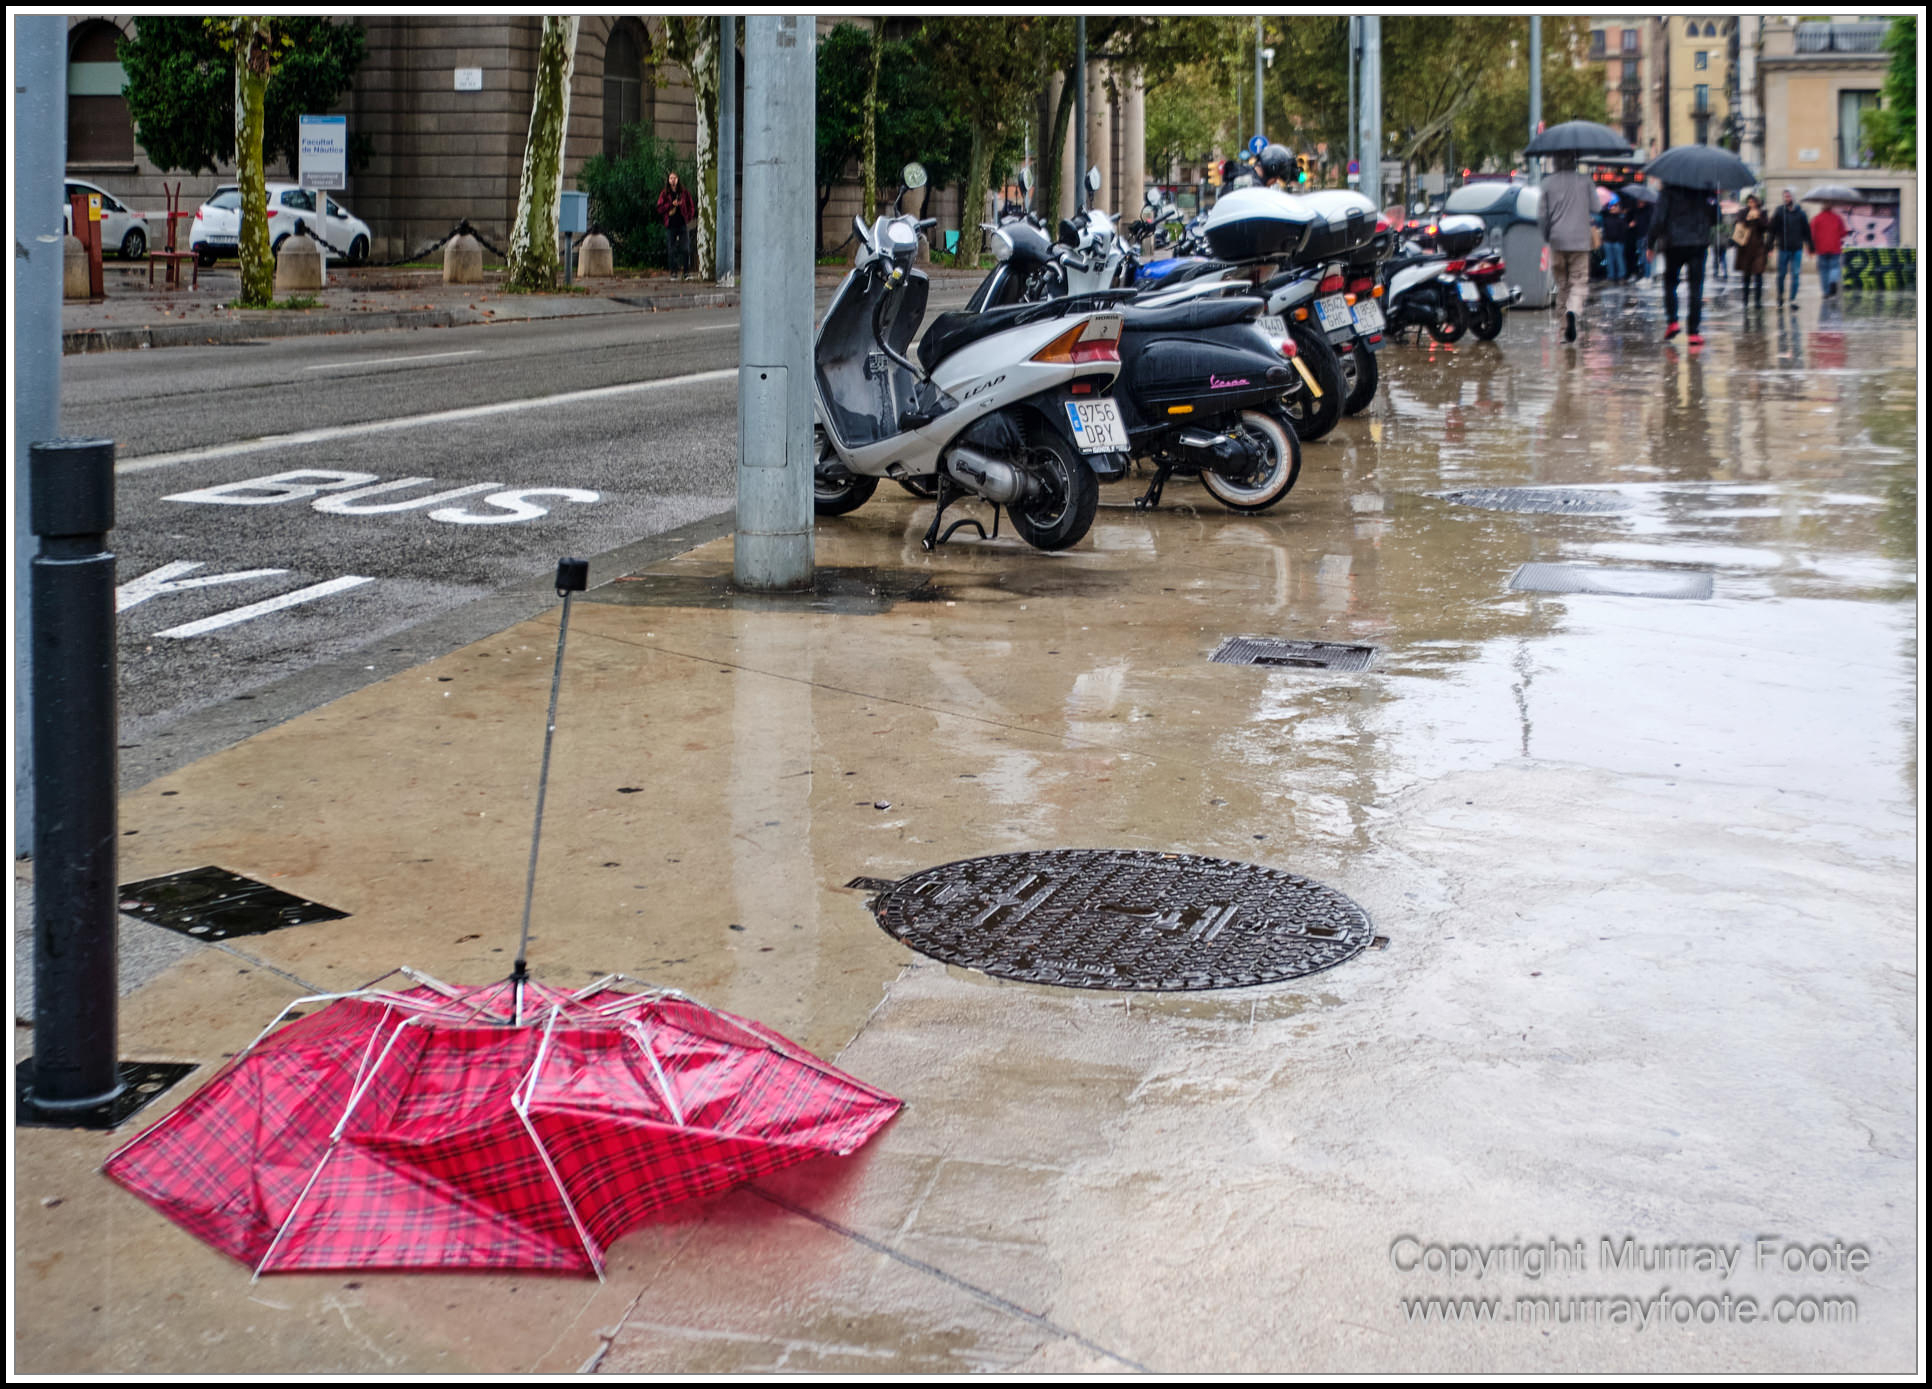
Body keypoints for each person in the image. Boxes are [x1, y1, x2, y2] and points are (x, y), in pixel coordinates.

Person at [1648, 180, 1717, 344]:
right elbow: (1716, 218)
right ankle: (1694, 332)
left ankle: (1672, 321)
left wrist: (1651, 244)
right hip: (1698, 243)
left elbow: (1658, 219)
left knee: (1670, 283)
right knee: (1696, 287)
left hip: (1674, 243)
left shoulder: (1668, 190)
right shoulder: (1705, 190)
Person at [1537, 153, 1596, 341]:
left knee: (1562, 285)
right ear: (1574, 162)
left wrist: (1547, 235)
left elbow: (1541, 216)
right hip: (1580, 241)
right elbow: (1597, 206)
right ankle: (1573, 311)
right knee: (1578, 282)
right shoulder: (1585, 181)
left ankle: (1563, 331)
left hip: (1557, 240)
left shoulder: (1547, 183)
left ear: (1555, 163)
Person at [1766, 186, 1811, 307]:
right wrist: (1769, 247)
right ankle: (1780, 295)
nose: (1787, 198)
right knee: (1781, 274)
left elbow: (1806, 231)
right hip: (1783, 248)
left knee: (1795, 274)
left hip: (1797, 248)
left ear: (1793, 197)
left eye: (1789, 196)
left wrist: (1809, 246)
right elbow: (1772, 230)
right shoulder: (1780, 212)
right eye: (1785, 196)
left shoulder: (1801, 213)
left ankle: (1793, 299)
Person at [657, 170, 696, 279]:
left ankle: (686, 272)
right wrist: (671, 204)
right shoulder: (665, 193)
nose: (673, 180)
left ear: (678, 180)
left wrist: (688, 217)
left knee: (685, 249)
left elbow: (691, 206)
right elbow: (659, 208)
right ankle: (673, 272)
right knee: (672, 249)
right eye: (671, 178)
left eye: (675, 178)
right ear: (668, 180)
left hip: (682, 223)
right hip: (670, 224)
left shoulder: (684, 193)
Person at [1734, 193, 1770, 309]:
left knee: (1758, 274)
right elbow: (1738, 225)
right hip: (1745, 248)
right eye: (1749, 202)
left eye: (1753, 202)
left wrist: (1758, 217)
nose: (1751, 204)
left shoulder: (1762, 213)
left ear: (1757, 203)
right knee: (1746, 275)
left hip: (1758, 248)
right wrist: (1748, 218)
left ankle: (1757, 301)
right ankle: (1745, 299)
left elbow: (1766, 227)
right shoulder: (1742, 212)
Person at [1810, 200, 1847, 297]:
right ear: (1831, 207)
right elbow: (1843, 233)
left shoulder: (1816, 219)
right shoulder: (1837, 218)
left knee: (1823, 271)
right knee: (1834, 267)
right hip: (1835, 248)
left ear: (1822, 207)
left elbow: (1812, 235)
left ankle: (1826, 292)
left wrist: (1811, 248)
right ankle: (1832, 281)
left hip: (1821, 249)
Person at [1601, 199, 1629, 282]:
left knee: (1619, 260)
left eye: (1615, 206)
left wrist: (1621, 239)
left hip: (1618, 242)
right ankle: (1611, 276)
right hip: (1608, 242)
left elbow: (1624, 230)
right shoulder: (1606, 217)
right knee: (1609, 260)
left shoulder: (1621, 218)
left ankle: (1621, 276)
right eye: (1611, 206)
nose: (1613, 208)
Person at [1626, 195, 1653, 280]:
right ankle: (1645, 275)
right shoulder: (1636, 211)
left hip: (1645, 235)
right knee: (1642, 257)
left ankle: (1647, 276)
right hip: (1639, 235)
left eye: (1641, 201)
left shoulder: (1649, 211)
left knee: (1644, 257)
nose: (1639, 203)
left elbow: (1649, 224)